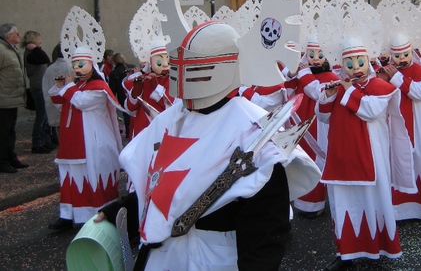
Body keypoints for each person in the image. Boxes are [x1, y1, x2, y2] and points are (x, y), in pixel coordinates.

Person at [95, 22, 320, 269]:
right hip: (161, 257)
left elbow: (265, 228)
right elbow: (162, 185)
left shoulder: (254, 130)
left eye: (196, 68)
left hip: (213, 257)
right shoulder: (173, 118)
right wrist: (125, 209)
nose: (182, 76)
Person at [319, 36, 414, 270]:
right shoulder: (339, 87)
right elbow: (322, 116)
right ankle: (346, 254)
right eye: (349, 64)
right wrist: (329, 95)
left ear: (367, 61)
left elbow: (370, 111)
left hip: (372, 156)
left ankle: (378, 248)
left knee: (374, 200)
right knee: (342, 203)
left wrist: (348, 90)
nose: (356, 68)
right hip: (341, 157)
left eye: (360, 62)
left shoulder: (380, 87)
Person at [47, 46, 125, 230]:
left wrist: (68, 86)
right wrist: (61, 86)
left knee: (90, 176)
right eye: (74, 64)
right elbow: (58, 100)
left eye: (81, 64)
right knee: (70, 176)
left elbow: (81, 102)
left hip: (92, 142)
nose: (76, 68)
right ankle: (67, 215)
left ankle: (95, 212)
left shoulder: (98, 87)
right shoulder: (75, 86)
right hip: (71, 143)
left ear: (91, 64)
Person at [381, 33, 421, 222]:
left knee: (420, 160)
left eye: (405, 54)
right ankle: (397, 211)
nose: (402, 59)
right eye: (397, 56)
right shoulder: (387, 71)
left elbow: (419, 93)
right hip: (394, 125)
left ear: (411, 51)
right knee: (396, 160)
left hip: (418, 125)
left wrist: (397, 77)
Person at [286, 35, 339, 218]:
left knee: (318, 159)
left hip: (319, 125)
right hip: (301, 122)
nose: (316, 58)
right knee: (302, 159)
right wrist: (293, 73)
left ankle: (315, 204)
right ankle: (303, 202)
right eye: (311, 54)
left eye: (320, 54)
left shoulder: (331, 77)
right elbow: (287, 88)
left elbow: (318, 93)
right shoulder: (304, 74)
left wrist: (303, 74)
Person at [0, 23, 29, 173]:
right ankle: (2, 161)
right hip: (4, 99)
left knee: (10, 131)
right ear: (8, 36)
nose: (19, 35)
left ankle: (11, 157)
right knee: (3, 132)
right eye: (17, 33)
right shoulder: (1, 50)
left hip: (12, 99)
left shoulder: (10, 49)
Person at [21, 30, 54, 154]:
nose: (41, 41)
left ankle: (45, 140)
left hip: (42, 87)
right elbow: (45, 58)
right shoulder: (31, 54)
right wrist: (36, 49)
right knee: (41, 116)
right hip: (38, 87)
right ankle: (37, 143)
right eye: (38, 39)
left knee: (45, 116)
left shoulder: (33, 53)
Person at [41, 44, 72, 150]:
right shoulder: (71, 67)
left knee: (61, 132)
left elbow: (46, 88)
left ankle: (63, 150)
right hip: (69, 104)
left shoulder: (50, 69)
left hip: (54, 103)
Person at [108, 53, 132, 138]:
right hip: (133, 94)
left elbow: (112, 90)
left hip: (122, 96)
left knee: (127, 116)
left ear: (114, 61)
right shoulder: (131, 67)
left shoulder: (114, 73)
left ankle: (129, 134)